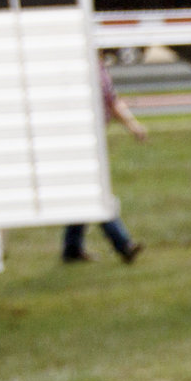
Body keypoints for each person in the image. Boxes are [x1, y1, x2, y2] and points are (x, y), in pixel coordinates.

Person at [66, 56, 147, 264]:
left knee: (83, 194)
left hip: (92, 139)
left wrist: (133, 125)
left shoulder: (98, 67)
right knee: (95, 193)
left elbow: (111, 101)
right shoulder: (78, 67)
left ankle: (72, 248)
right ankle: (123, 244)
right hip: (78, 141)